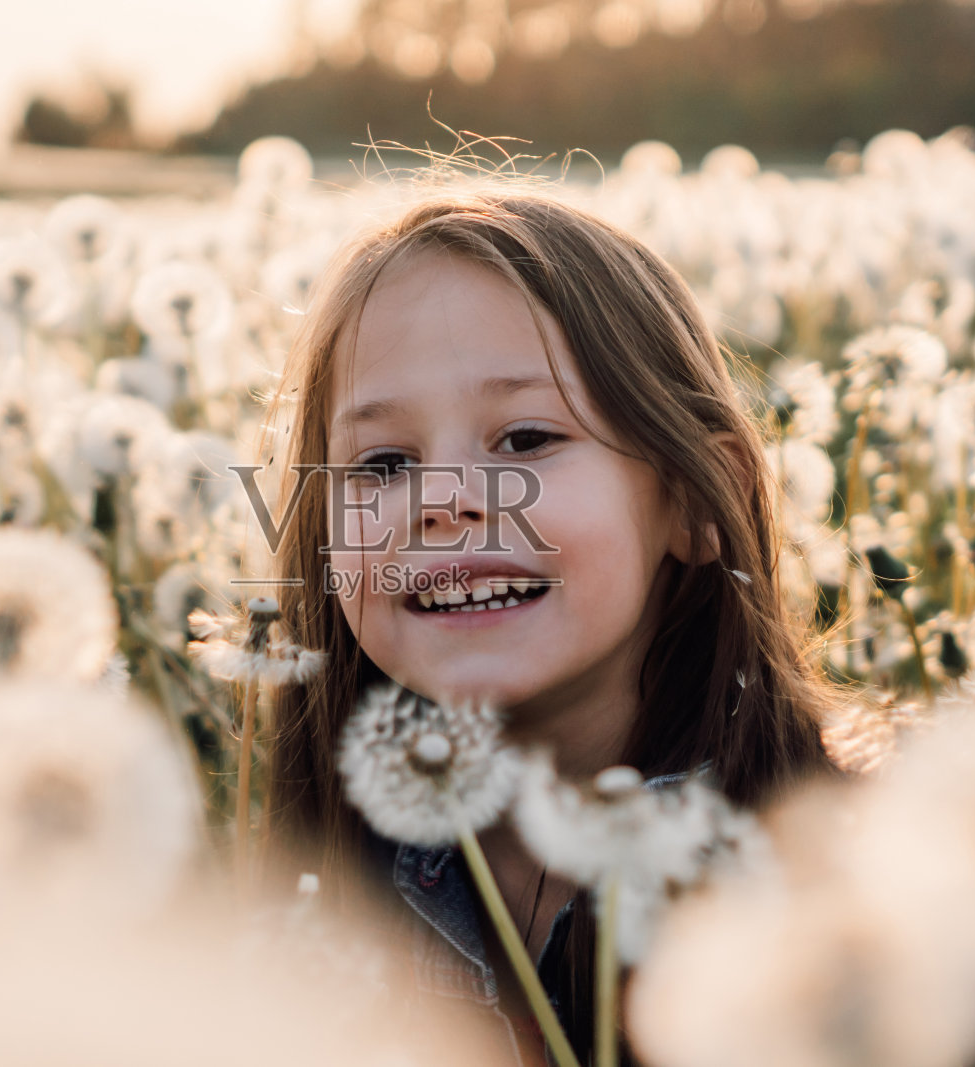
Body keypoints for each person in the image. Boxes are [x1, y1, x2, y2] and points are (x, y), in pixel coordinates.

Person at [258, 187, 841, 1065]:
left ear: (692, 500)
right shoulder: (317, 895)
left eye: (525, 439)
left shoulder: (861, 882)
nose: (445, 502)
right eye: (382, 463)